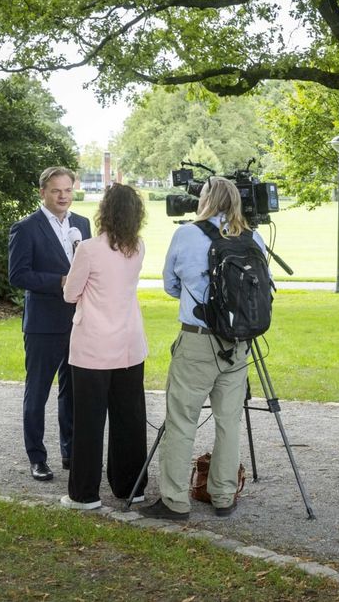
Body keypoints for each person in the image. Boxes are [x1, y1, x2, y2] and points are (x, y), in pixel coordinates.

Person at [141, 177, 269, 520]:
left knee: (182, 421)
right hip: (238, 343)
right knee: (229, 421)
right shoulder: (252, 236)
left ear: (205, 200)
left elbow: (170, 285)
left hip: (198, 339)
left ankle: (174, 501)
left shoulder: (187, 234)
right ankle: (223, 494)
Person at [60, 184, 149, 509]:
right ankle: (131, 486)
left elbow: (70, 293)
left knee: (89, 421)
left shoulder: (88, 248)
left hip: (94, 347)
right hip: (128, 344)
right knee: (130, 419)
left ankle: (84, 494)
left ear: (104, 211)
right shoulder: (137, 247)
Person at [8, 166, 91, 481]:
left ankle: (71, 452)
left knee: (73, 391)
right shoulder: (26, 228)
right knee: (38, 391)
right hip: (43, 324)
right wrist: (61, 281)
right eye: (56, 190)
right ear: (42, 192)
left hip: (79, 321)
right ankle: (37, 458)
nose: (63, 196)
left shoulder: (82, 224)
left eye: (68, 190)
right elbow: (18, 275)